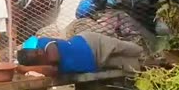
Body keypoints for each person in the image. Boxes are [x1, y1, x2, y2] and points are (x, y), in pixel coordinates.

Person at [17, 30, 148, 74]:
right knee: (129, 65)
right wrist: (27, 69)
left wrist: (24, 69)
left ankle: (149, 53)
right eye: (37, 55)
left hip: (92, 43)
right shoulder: (42, 69)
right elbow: (52, 69)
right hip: (95, 63)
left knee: (129, 49)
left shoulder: (44, 43)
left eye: (36, 51)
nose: (39, 52)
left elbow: (54, 59)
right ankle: (155, 65)